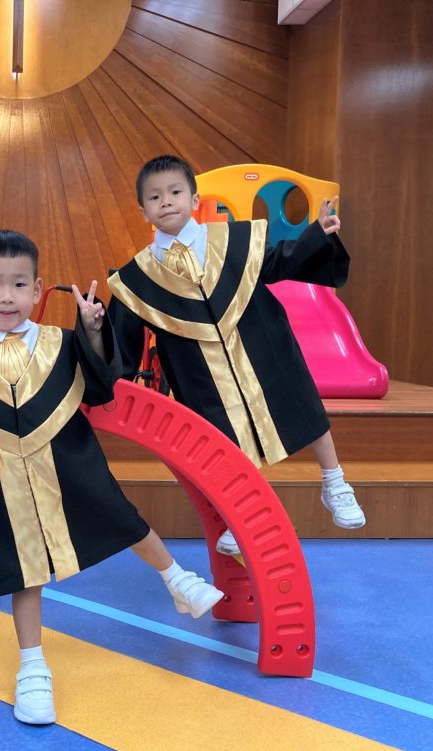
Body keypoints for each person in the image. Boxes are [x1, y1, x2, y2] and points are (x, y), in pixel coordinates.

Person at [0, 230, 223, 725]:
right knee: (25, 571)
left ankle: (177, 578)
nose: (7, 296)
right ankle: (32, 666)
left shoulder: (61, 344)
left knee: (121, 517)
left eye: (19, 284)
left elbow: (104, 383)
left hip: (67, 465)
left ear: (38, 289)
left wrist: (94, 330)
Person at [107, 155, 366, 558]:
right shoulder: (136, 278)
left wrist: (316, 235)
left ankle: (335, 481)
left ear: (195, 199)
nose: (166, 201)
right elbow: (119, 341)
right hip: (197, 368)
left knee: (299, 402)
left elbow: (280, 262)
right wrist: (93, 328)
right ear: (143, 211)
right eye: (155, 197)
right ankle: (239, 514)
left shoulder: (235, 240)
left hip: (261, 342)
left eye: (175, 192)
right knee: (220, 434)